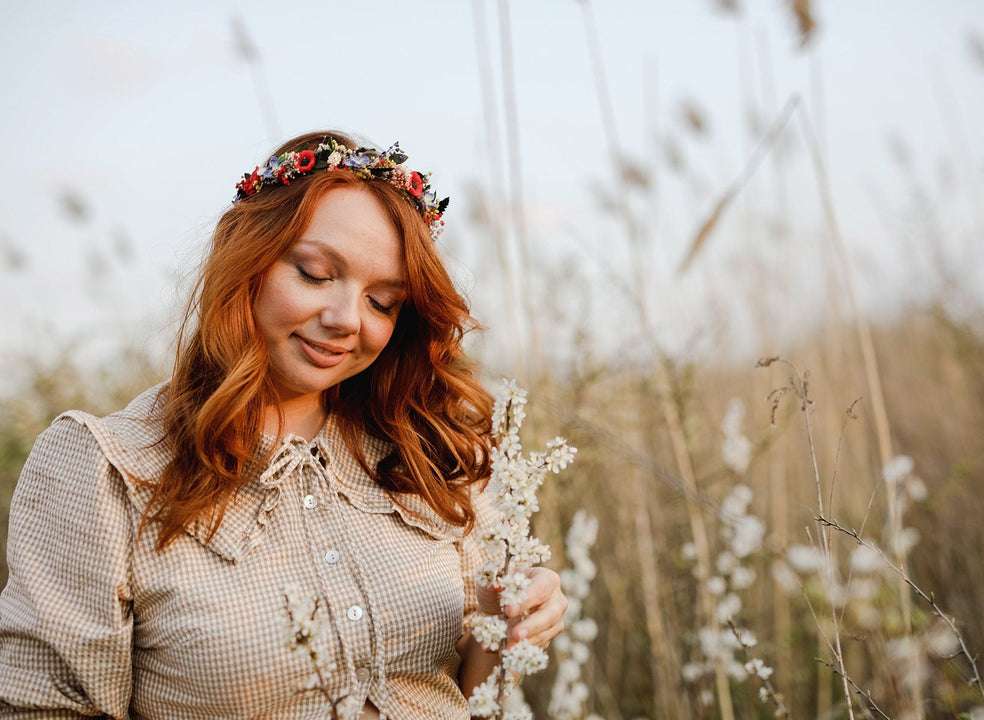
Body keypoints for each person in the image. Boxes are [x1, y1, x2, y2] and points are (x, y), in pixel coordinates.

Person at [0, 131, 567, 719]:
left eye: (382, 302)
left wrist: (510, 629)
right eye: (316, 274)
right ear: (248, 260)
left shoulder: (426, 452)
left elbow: (468, 701)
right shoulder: (105, 468)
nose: (347, 319)